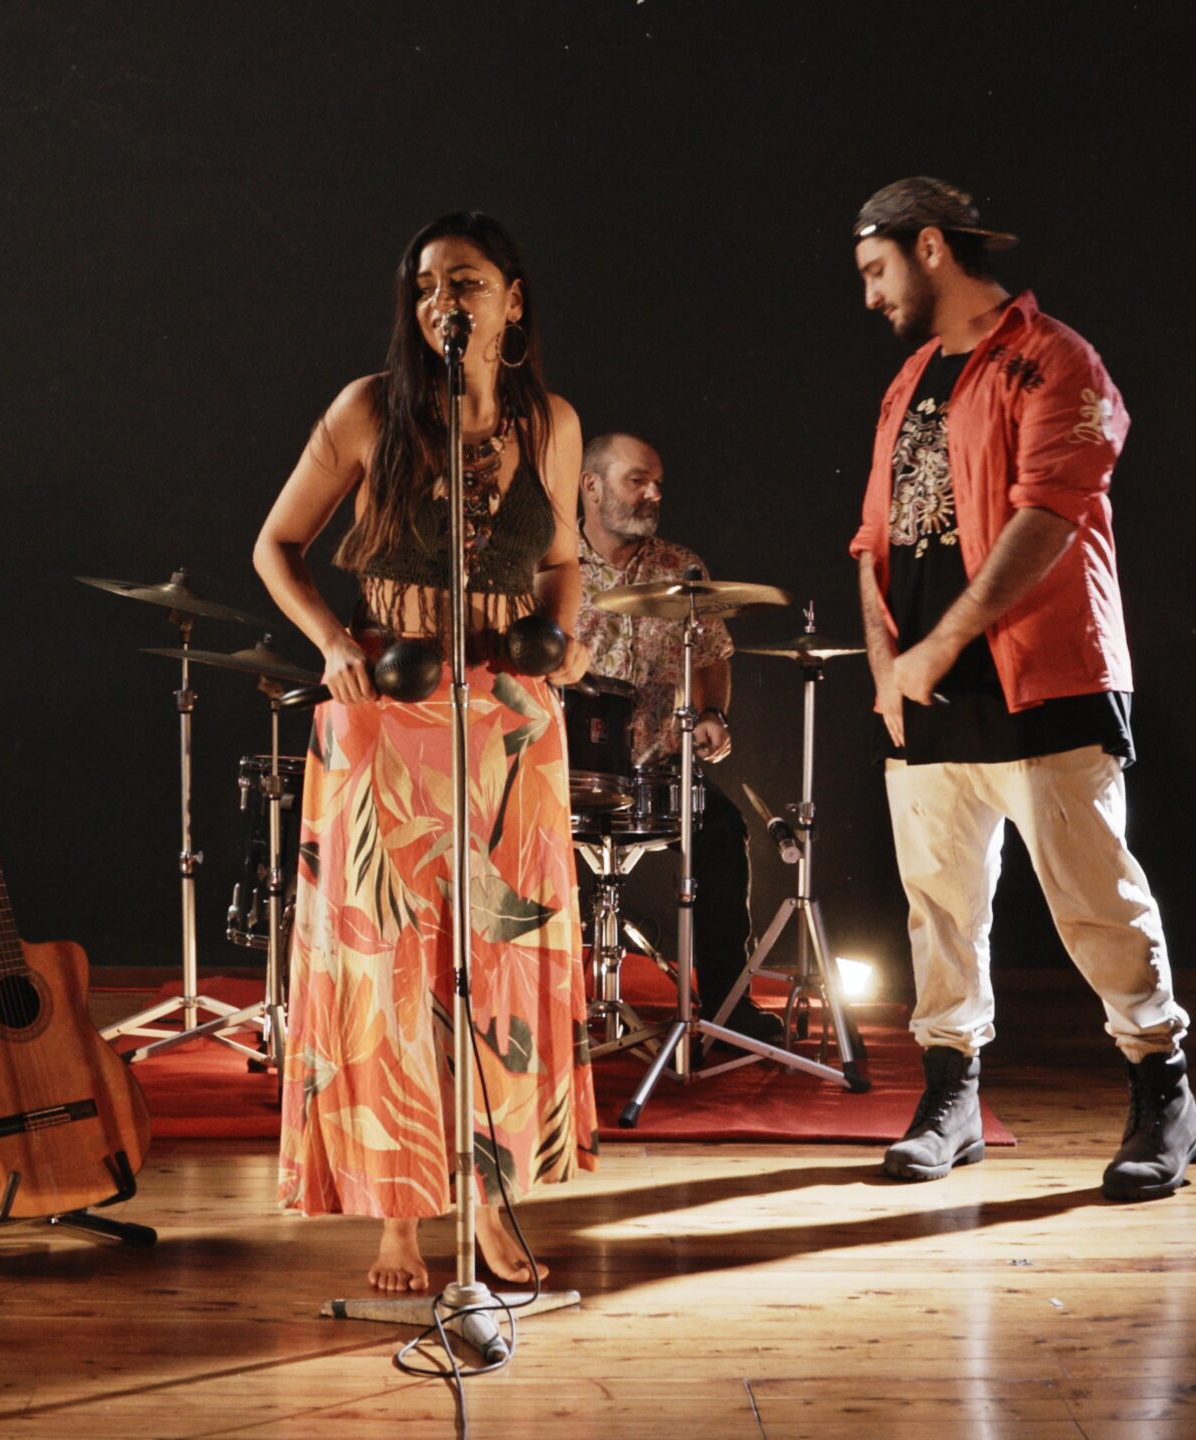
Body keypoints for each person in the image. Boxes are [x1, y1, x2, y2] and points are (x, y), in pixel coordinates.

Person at [254, 212, 599, 1294]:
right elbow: (275, 546)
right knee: (389, 967)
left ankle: (489, 1196)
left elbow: (563, 560)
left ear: (513, 301)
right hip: (387, 716)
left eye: (464, 282)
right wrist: (331, 645)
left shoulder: (551, 423)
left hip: (507, 720)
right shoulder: (369, 410)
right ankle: (399, 1220)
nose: (439, 302)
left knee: (499, 961)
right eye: (423, 286)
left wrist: (562, 642)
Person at [843, 176, 1196, 1201]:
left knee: (1097, 903)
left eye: (876, 269)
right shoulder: (910, 378)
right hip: (925, 695)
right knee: (938, 908)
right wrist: (890, 668)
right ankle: (949, 1097)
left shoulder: (1056, 359)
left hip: (1043, 682)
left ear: (928, 247)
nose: (870, 296)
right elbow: (873, 537)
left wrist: (938, 647)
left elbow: (1045, 521)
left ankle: (1164, 1094)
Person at [569, 432, 782, 1044]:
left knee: (722, 834)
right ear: (591, 486)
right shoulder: (550, 564)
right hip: (566, 770)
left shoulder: (680, 568)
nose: (654, 494)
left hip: (658, 769)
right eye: (637, 480)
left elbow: (712, 655)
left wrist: (713, 712)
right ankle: (534, 1007)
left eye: (658, 483)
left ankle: (725, 1006)